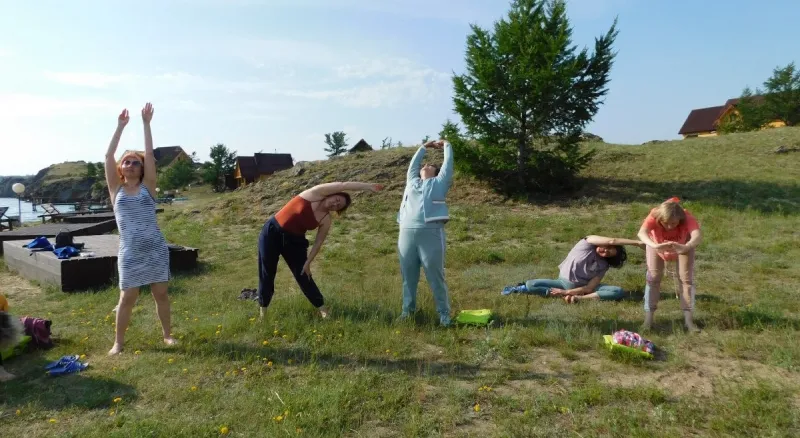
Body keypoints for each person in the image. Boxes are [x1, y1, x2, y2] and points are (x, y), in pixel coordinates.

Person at [105, 104, 175, 355]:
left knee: (161, 295)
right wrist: (120, 127)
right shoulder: (116, 189)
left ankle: (167, 335)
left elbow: (149, 153)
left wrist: (146, 124)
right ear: (121, 168)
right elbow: (108, 156)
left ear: (142, 168)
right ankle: (118, 343)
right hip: (130, 253)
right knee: (127, 298)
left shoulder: (148, 187)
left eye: (136, 162)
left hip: (155, 250)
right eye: (127, 162)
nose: (131, 164)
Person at [258, 181, 384, 320]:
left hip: (295, 242)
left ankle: (323, 310)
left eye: (338, 206)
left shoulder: (326, 219)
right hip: (272, 232)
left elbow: (318, 243)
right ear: (333, 194)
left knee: (304, 275)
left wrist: (308, 263)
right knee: (267, 272)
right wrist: (368, 187)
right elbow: (343, 185)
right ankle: (263, 313)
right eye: (337, 199)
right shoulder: (314, 193)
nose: (335, 204)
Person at [397, 139, 454, 326]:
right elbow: (413, 166)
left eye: (430, 165)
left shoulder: (439, 182)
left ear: (436, 172)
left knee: (435, 276)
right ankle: (408, 311)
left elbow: (448, 164)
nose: (425, 165)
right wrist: (424, 147)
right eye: (424, 164)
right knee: (408, 276)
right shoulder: (411, 182)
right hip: (406, 233)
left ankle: (444, 314)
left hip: (431, 233)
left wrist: (447, 145)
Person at [501, 236, 644, 303]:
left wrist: (568, 292)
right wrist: (637, 243)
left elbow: (590, 287)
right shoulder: (586, 244)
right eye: (606, 247)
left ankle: (579, 299)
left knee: (617, 291)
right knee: (531, 284)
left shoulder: (604, 265)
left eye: (609, 253)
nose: (605, 251)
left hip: (582, 290)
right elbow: (612, 241)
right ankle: (556, 294)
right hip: (562, 282)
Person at [637, 197, 703, 332]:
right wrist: (654, 245)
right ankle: (648, 320)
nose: (669, 226)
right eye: (665, 223)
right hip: (656, 245)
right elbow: (642, 233)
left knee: (686, 279)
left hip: (683, 245)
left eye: (673, 223)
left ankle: (689, 321)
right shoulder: (654, 215)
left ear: (680, 218)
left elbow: (697, 235)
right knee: (653, 278)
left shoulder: (687, 218)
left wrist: (687, 246)